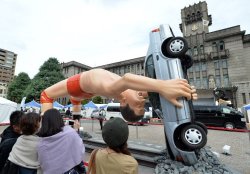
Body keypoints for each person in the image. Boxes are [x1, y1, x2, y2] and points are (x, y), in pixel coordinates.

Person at [40, 69, 197, 122]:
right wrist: (184, 92)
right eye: (143, 103)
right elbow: (154, 91)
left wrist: (163, 86)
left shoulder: (114, 90)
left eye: (139, 105)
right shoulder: (134, 92)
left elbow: (128, 79)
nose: (142, 99)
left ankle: (47, 131)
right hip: (81, 96)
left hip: (76, 86)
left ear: (123, 103)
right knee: (75, 103)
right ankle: (75, 123)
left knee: (46, 95)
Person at [37, 109, 86, 174]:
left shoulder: (41, 142)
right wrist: (76, 130)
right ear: (60, 119)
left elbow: (43, 163)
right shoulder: (70, 133)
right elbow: (80, 150)